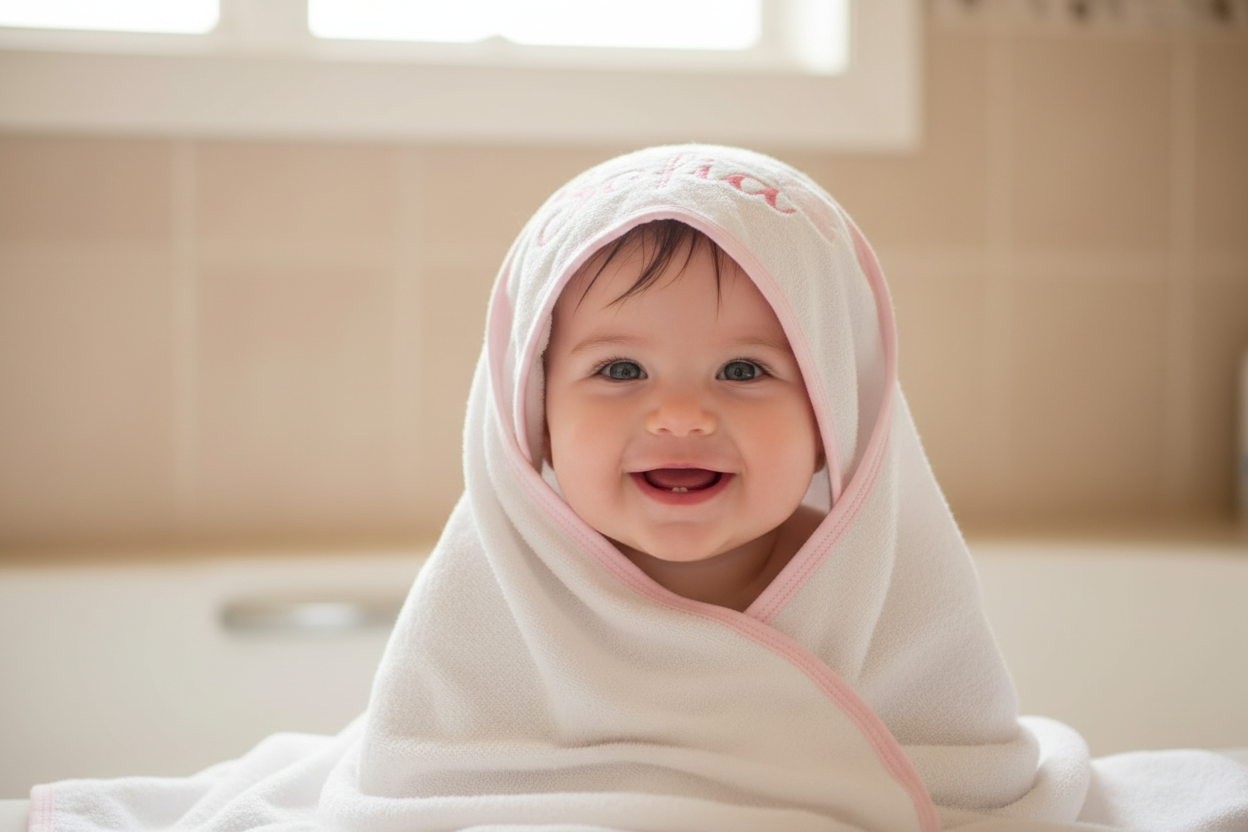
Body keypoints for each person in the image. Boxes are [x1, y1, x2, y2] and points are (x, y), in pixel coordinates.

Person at [28, 146, 1248, 831]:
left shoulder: (887, 584)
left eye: (745, 369)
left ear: (839, 408)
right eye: (618, 367)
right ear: (530, 412)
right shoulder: (496, 584)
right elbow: (427, 787)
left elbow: (972, 780)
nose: (682, 411)